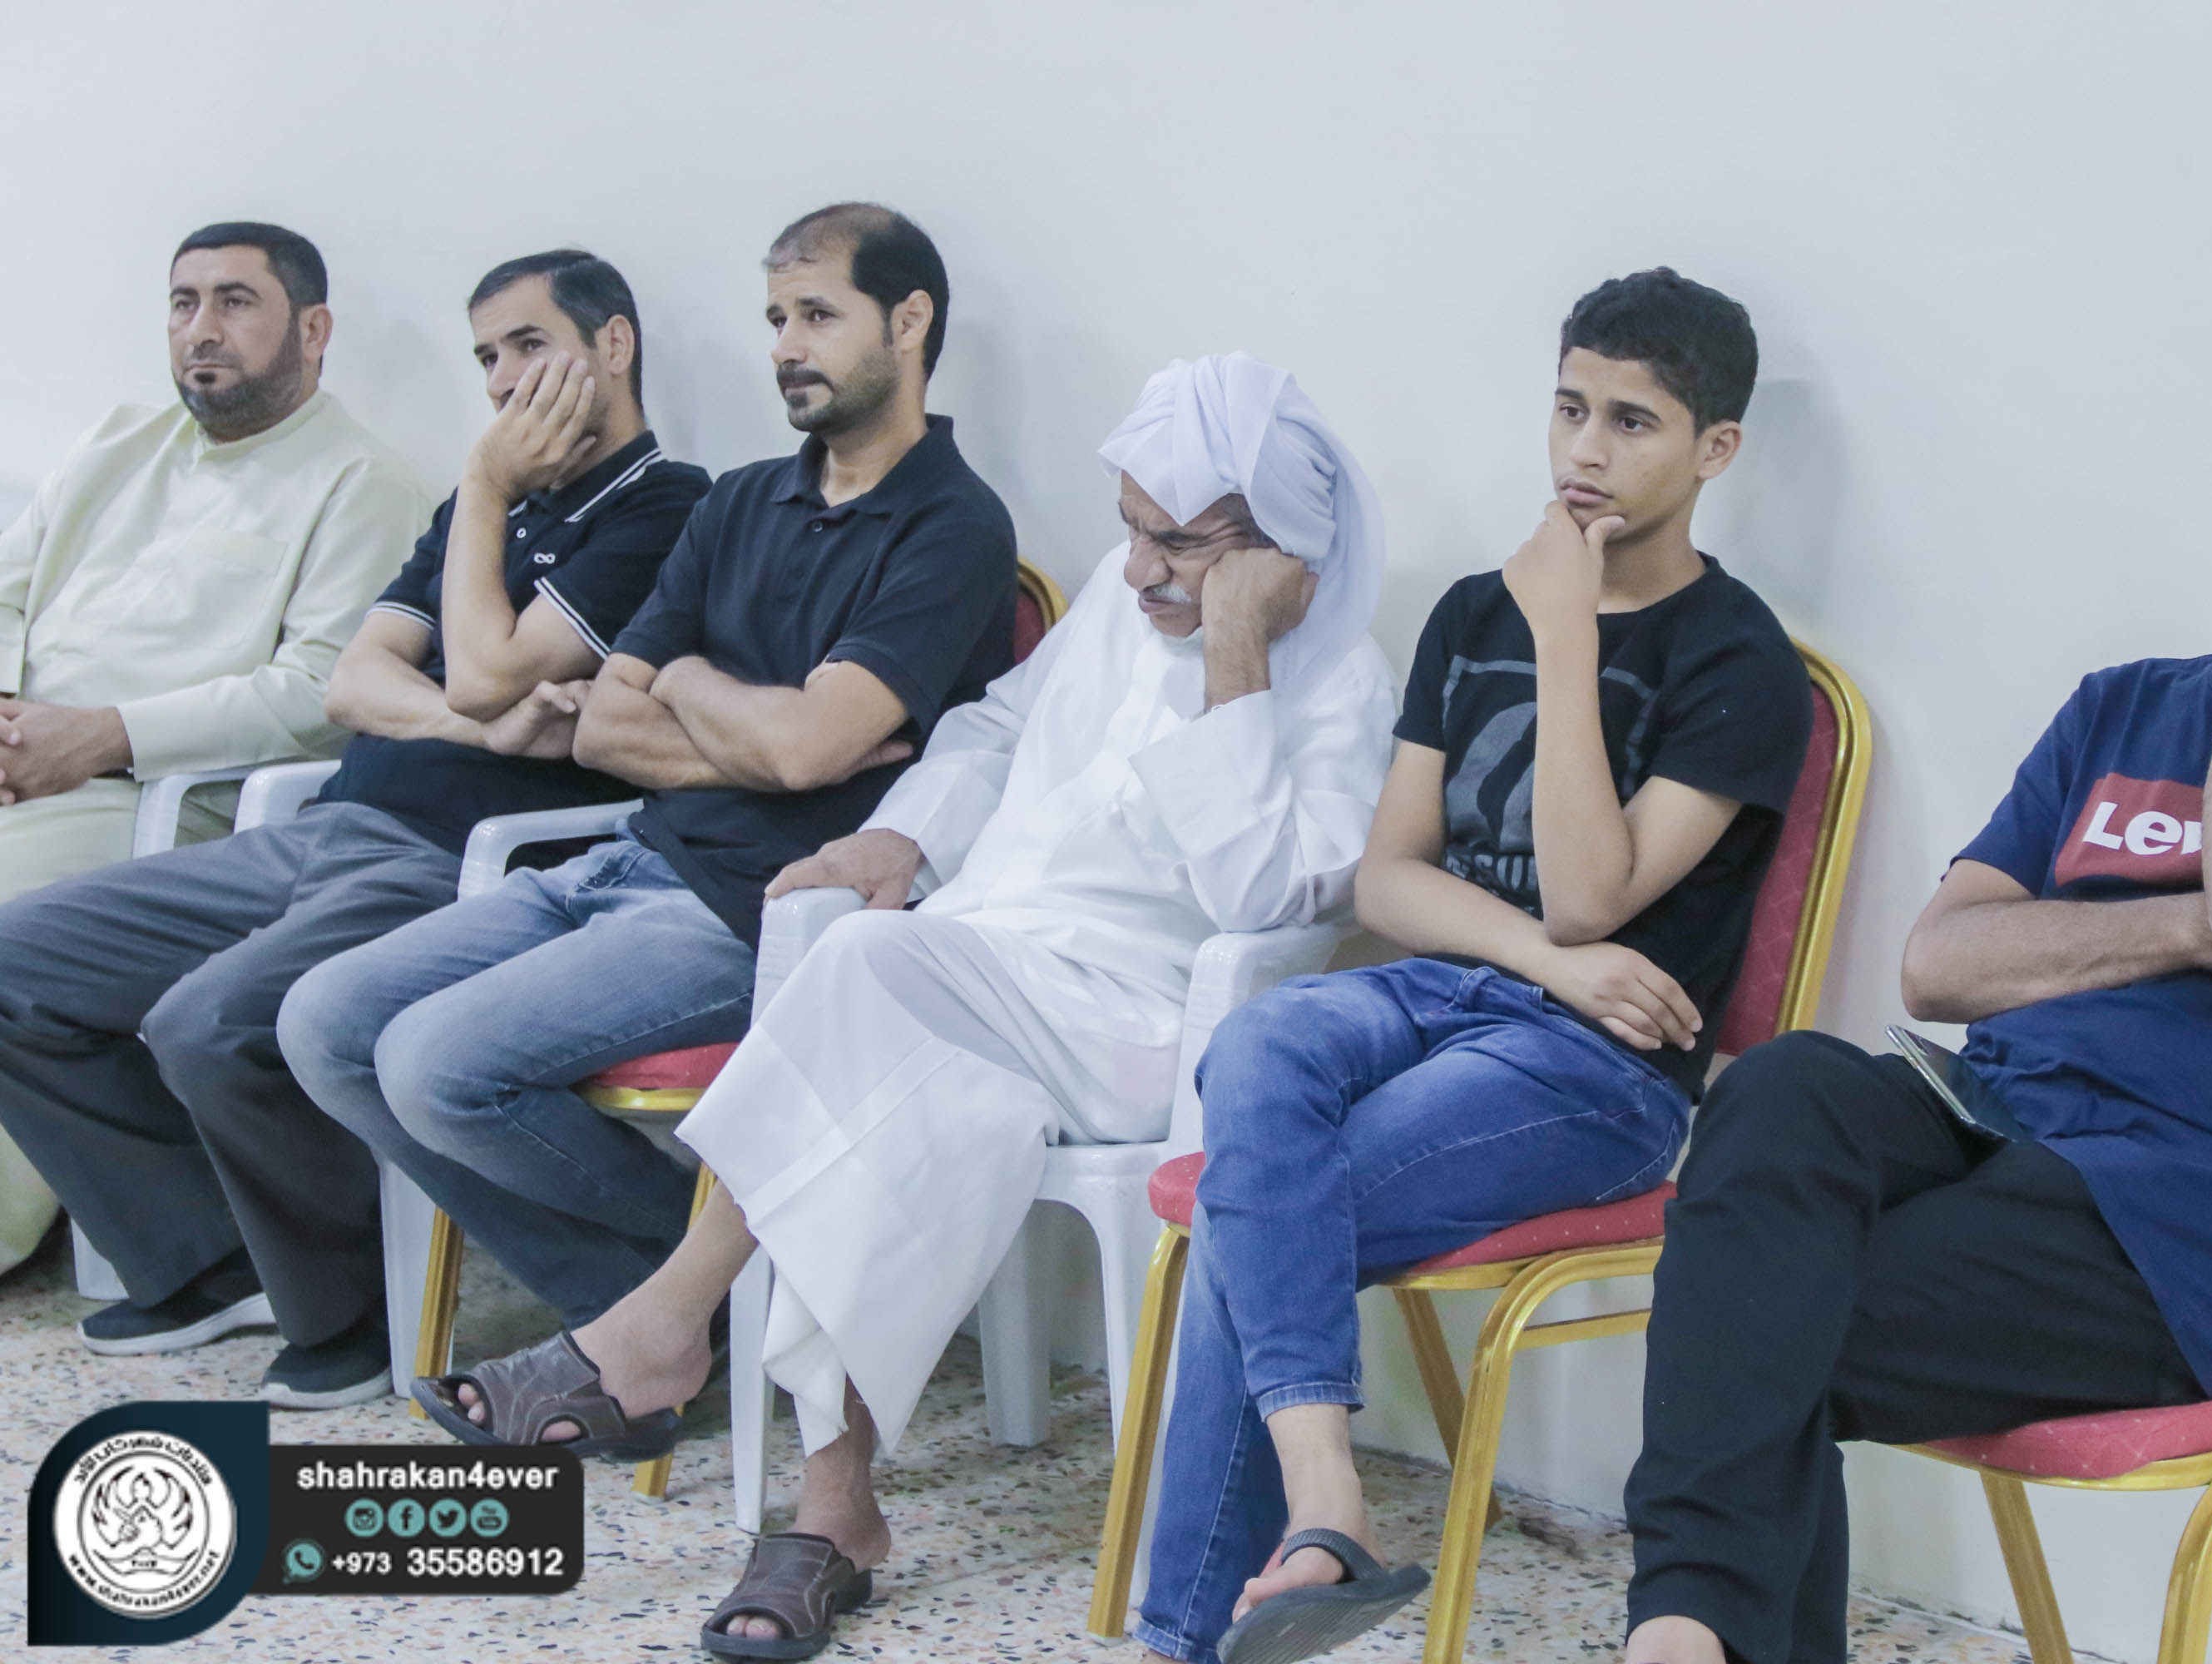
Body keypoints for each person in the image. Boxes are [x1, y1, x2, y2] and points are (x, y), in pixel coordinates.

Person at [410, 351, 1397, 1662]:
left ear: (1284, 547)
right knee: (923, 1101)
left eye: (1184, 546)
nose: (1142, 572)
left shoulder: (1346, 687)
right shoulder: (1120, 611)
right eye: (1131, 531)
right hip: (985, 981)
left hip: (1142, 1026)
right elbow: (991, 731)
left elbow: (1268, 903)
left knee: (867, 969)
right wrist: (906, 839)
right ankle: (832, 1515)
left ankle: (662, 1326)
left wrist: (1237, 652)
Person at [1620, 334, 2212, 1664]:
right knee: (1787, 1084)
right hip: (1989, 1120)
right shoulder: (2122, 708)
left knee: (1751, 1327)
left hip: (2179, 1241)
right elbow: (1942, 965)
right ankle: (1686, 1641)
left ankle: (1679, 1637)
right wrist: (2203, 933)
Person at [1135, 270, 1814, 1664]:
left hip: (1603, 1075)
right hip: (1465, 992)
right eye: (1570, 408)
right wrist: (1544, 962)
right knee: (1259, 1046)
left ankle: (1196, 1633)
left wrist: (1566, 632)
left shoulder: (1741, 660)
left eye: (1631, 422)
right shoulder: (1468, 612)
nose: (1583, 450)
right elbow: (1391, 879)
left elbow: (1588, 895)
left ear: (1716, 450)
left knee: (1257, 1208)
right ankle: (1322, 1502)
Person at [278, 204, 1020, 1387]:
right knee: (322, 1023)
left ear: (909, 321)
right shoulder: (738, 501)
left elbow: (806, 755)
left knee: (433, 1065)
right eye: (775, 318)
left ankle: (658, 1324)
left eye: (817, 316)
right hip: (624, 858)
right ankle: (676, 1306)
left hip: (757, 907)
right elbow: (609, 728)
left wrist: (684, 684)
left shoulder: (955, 525)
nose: (786, 346)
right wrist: (734, 714)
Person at [0, 250, 707, 1405]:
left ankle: (349, 1310)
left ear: (614, 346)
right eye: (487, 357)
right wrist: (475, 715)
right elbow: (355, 684)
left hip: (458, 860)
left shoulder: (667, 506)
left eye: (529, 346)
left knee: (210, 1022)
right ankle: (212, 1256)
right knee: (16, 958)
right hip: (330, 824)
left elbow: (487, 666)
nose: (502, 382)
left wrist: (483, 496)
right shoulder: (481, 509)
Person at [0, 220, 428, 1275]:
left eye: (236, 302)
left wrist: (101, 735)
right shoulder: (119, 441)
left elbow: (318, 692)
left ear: (313, 329)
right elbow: (6, 588)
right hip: (26, 752)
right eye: (184, 303)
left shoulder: (363, 481)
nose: (202, 329)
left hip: (151, 794)